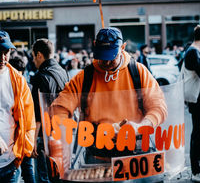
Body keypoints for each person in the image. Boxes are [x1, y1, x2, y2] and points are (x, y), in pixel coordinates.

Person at [51, 27, 167, 165]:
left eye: (111, 57)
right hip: (97, 156)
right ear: (95, 45)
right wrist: (62, 131)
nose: (106, 62)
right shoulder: (85, 77)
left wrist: (140, 127)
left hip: (136, 155)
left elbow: (159, 108)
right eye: (102, 56)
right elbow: (59, 107)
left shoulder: (139, 72)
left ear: (123, 48)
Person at [30, 38, 69, 183]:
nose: (33, 61)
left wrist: (33, 140)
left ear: (39, 55)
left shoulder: (40, 76)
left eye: (34, 56)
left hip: (45, 136)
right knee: (60, 174)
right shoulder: (63, 72)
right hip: (63, 132)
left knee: (44, 177)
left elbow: (38, 112)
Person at [0, 30, 36, 182]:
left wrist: (22, 152)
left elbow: (28, 120)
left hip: (11, 162)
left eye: (5, 52)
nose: (2, 57)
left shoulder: (18, 80)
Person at [9, 54, 36, 183]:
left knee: (19, 171)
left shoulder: (14, 86)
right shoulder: (29, 86)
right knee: (28, 170)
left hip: (19, 138)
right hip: (26, 137)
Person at [184, 25, 200, 182]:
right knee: (197, 134)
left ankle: (197, 169)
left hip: (196, 99)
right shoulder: (193, 52)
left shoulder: (193, 51)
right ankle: (196, 171)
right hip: (196, 100)